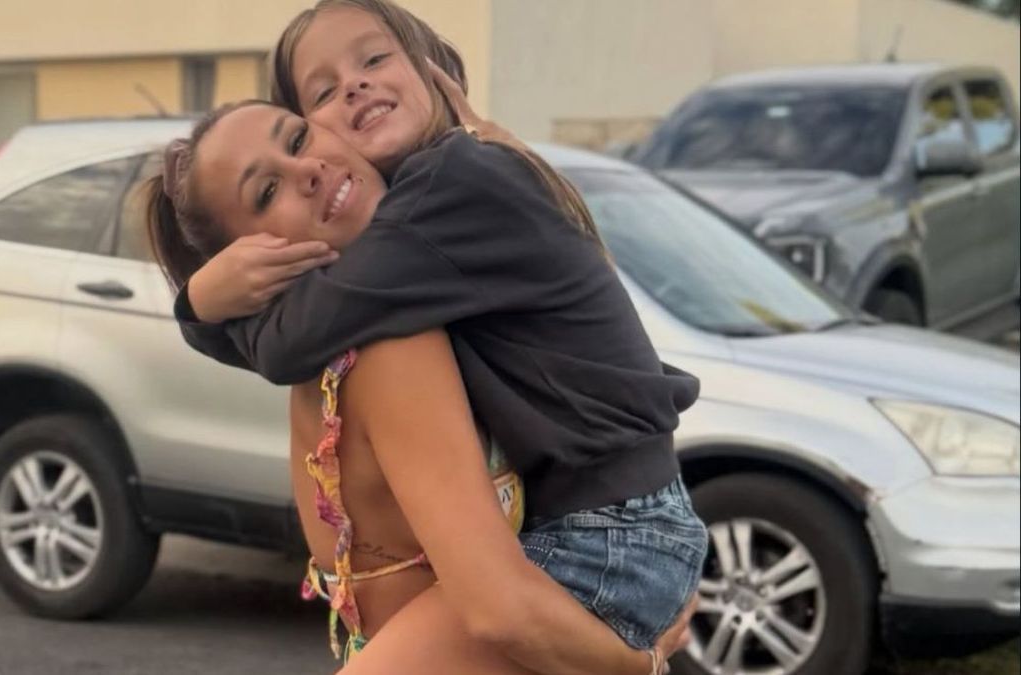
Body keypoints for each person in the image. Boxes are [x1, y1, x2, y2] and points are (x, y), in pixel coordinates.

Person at [178, 2, 708, 666]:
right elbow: (286, 342)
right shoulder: (420, 222)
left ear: (432, 67)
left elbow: (283, 345)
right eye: (324, 92)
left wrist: (202, 303)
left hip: (610, 532)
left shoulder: (453, 183)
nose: (355, 85)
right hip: (606, 520)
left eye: (375, 59)